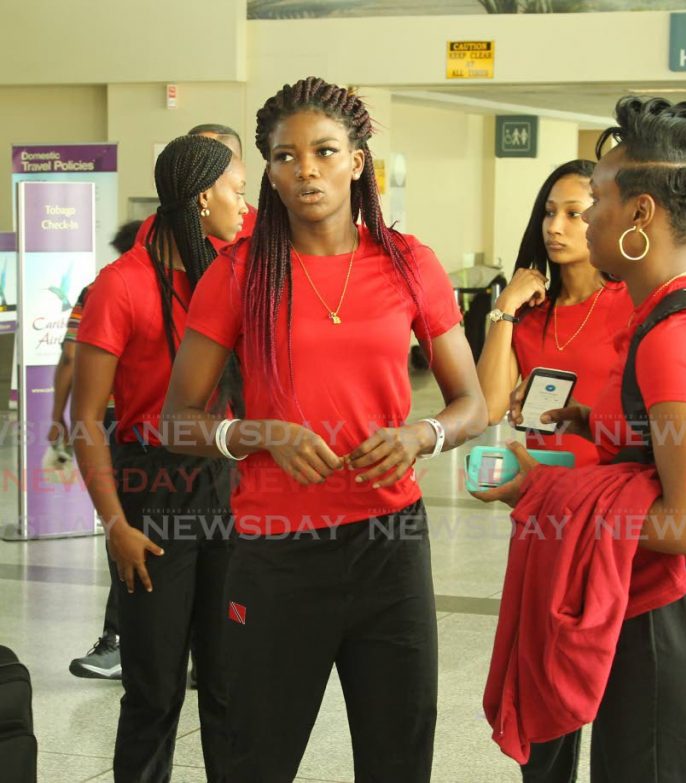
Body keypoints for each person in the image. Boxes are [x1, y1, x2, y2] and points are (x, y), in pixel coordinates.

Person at [159, 76, 487, 783]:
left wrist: (419, 436)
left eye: (324, 150)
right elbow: (175, 419)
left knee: (399, 759)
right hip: (275, 554)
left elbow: (472, 404)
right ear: (267, 171)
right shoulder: (239, 274)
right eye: (284, 156)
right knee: (253, 758)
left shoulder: (409, 264)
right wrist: (259, 434)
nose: (305, 169)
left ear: (357, 161)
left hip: (389, 546)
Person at [477, 96, 686, 782]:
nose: (584, 217)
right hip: (682, 617)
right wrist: (596, 425)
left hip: (679, 623)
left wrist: (543, 489)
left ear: (641, 213)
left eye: (597, 198)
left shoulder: (678, 337)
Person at [71, 135, 248, 782]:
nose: (246, 202)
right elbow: (86, 416)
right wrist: (115, 524)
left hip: (226, 484)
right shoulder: (120, 286)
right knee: (154, 690)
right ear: (203, 197)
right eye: (238, 188)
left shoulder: (229, 271)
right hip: (151, 489)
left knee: (232, 687)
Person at [476, 160, 632, 467]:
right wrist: (504, 307)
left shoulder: (632, 303)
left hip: (612, 493)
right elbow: (490, 410)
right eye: (549, 212)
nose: (554, 227)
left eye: (573, 214)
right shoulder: (529, 313)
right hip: (544, 495)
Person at [60, 219, 140, 680]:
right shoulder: (112, 287)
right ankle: (122, 640)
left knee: (133, 530)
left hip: (133, 422)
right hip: (124, 420)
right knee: (133, 529)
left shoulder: (105, 287)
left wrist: (57, 412)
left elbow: (73, 357)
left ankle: (122, 641)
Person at [135, 123, 257, 249]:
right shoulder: (154, 228)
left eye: (223, 161)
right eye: (201, 162)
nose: (208, 172)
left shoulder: (259, 226)